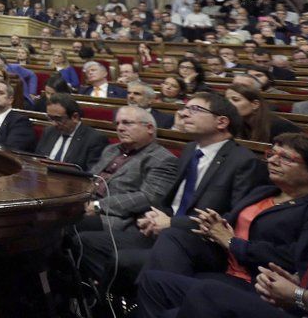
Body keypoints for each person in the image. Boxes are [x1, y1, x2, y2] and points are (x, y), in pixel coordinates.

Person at [76, 92, 267, 293]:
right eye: (185, 108)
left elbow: (230, 219)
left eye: (195, 109)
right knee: (86, 242)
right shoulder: (191, 149)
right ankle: (109, 300)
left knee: (122, 260)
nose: (183, 114)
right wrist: (153, 215)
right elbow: (171, 199)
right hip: (163, 231)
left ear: (221, 122)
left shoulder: (243, 161)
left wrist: (171, 223)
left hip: (198, 243)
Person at [136, 133, 308, 317]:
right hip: (222, 259)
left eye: (285, 157)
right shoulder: (264, 191)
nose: (273, 161)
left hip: (253, 278)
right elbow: (228, 222)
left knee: (159, 286)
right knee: (172, 238)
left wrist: (232, 242)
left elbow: (291, 258)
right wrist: (211, 225)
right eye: (272, 154)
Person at [79, 106, 179, 234]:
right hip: (86, 204)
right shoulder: (111, 149)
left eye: (127, 123)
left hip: (116, 218)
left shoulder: (162, 159)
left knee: (62, 223)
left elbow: (147, 198)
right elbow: (91, 178)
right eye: (118, 123)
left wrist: (98, 206)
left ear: (149, 128)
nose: (120, 128)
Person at [35, 94, 108, 168]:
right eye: (50, 118)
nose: (53, 124)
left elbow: (92, 174)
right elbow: (37, 161)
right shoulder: (49, 131)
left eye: (58, 119)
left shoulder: (94, 139)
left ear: (75, 117)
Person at [227, 83, 301, 142]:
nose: (228, 104)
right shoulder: (236, 124)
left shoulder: (280, 126)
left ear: (255, 104)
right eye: (227, 100)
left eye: (235, 100)